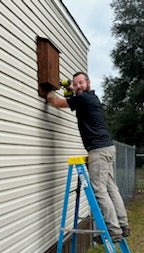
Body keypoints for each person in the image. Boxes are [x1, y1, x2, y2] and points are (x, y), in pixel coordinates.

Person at [47, 72, 130, 243]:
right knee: (111, 188)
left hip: (98, 151)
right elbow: (74, 98)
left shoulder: (83, 99)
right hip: (107, 148)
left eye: (81, 83)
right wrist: (70, 88)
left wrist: (49, 90)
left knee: (99, 190)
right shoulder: (89, 99)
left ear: (88, 83)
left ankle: (114, 230)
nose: (78, 86)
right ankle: (122, 225)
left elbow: (57, 102)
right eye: (75, 84)